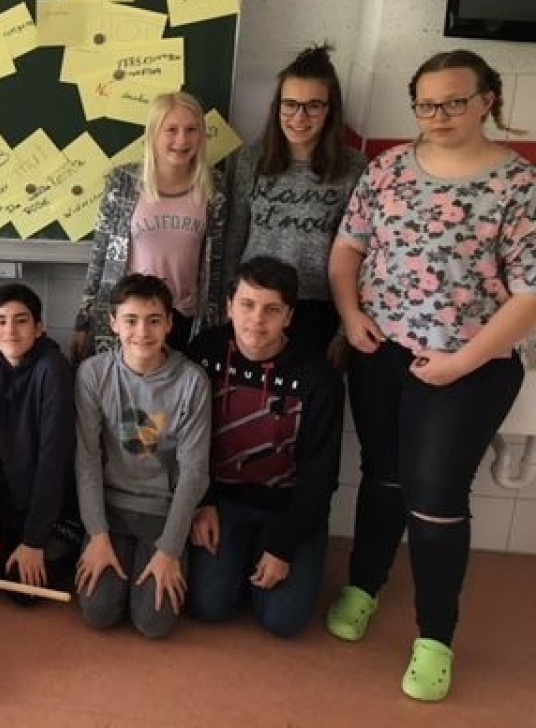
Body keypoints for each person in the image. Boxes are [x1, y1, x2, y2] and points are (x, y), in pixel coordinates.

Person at [324, 50, 536, 702]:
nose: (438, 115)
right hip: (380, 351)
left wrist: (461, 362)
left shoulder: (519, 185)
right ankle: (365, 583)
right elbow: (348, 248)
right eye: (425, 104)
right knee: (383, 475)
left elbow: (531, 293)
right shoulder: (387, 169)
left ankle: (435, 636)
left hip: (470, 367)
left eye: (453, 101)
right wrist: (350, 315)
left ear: (487, 100)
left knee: (436, 498)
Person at [186, 256, 344, 637]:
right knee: (208, 606)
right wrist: (201, 502)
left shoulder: (318, 377)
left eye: (272, 310)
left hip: (287, 507)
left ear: (289, 316)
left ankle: (262, 554)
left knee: (283, 621)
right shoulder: (203, 352)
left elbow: (321, 475)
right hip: (222, 503)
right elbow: (184, 439)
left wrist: (282, 547)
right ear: (229, 307)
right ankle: (237, 559)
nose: (257, 319)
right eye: (247, 305)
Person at [75, 273, 210, 639]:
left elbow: (194, 472)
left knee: (154, 622)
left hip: (162, 511)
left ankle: (155, 560)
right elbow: (87, 461)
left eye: (153, 320)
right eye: (131, 320)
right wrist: (97, 535)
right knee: (99, 612)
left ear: (169, 324)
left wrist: (169, 550)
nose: (142, 332)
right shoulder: (93, 374)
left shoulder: (192, 382)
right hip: (111, 507)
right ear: (113, 323)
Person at [222, 45, 367, 360]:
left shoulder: (354, 168)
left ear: (330, 110)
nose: (299, 117)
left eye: (313, 106)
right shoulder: (249, 161)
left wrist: (344, 328)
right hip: (253, 306)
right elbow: (233, 238)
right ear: (277, 106)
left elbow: (358, 252)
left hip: (318, 309)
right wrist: (226, 305)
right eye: (290, 104)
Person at [74, 91, 226, 359]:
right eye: (171, 130)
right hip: (131, 317)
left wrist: (217, 319)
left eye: (191, 130)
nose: (182, 140)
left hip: (182, 317)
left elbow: (218, 261)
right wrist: (84, 319)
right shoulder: (123, 182)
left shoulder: (214, 186)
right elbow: (100, 253)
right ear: (154, 134)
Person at [0, 283, 79, 600]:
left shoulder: (54, 369)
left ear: (39, 327)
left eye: (21, 320)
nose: (10, 330)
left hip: (50, 509)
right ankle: (0, 539)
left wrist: (34, 540)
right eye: (1, 321)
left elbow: (54, 462)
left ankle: (35, 544)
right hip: (2, 505)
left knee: (24, 591)